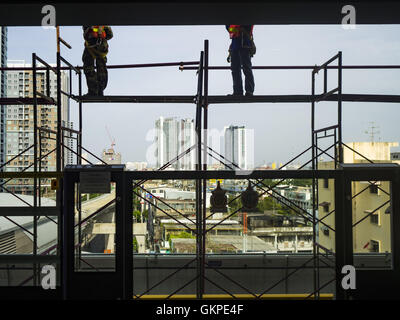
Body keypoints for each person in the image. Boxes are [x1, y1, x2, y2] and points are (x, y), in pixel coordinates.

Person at [82, 26, 113, 96]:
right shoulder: (104, 23)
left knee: (88, 67)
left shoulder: (86, 19)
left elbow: (86, 35)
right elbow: (110, 35)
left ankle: (93, 91)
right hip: (102, 46)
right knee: (101, 68)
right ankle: (100, 90)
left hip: (91, 45)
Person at [225, 25, 255, 96]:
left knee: (246, 68)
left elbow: (248, 28)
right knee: (236, 69)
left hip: (244, 45)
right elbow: (229, 29)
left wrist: (236, 28)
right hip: (236, 46)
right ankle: (238, 92)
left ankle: (248, 91)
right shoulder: (232, 22)